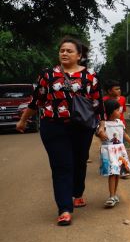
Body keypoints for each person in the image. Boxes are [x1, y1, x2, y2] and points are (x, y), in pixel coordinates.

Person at [17, 36, 105, 226]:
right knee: (62, 166)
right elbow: (37, 101)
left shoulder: (90, 76)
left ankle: (78, 193)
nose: (64, 53)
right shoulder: (47, 75)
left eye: (69, 51)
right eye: (62, 50)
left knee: (79, 161)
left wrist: (102, 125)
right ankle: (64, 209)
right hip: (53, 126)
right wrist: (24, 120)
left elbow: (98, 104)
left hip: (82, 128)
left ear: (79, 55)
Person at [99, 99, 130, 208]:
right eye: (118, 110)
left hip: (119, 151)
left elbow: (124, 135)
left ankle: (114, 195)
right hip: (109, 151)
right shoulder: (103, 124)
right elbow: (99, 133)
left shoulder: (119, 123)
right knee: (112, 173)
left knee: (117, 173)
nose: (120, 112)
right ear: (111, 111)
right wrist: (101, 132)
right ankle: (112, 196)